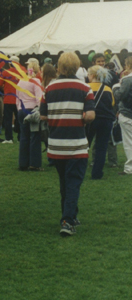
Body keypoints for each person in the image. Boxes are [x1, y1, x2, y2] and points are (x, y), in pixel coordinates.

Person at [40, 52, 95, 236]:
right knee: (73, 183)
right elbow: (90, 116)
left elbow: (43, 116)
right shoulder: (85, 88)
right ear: (77, 67)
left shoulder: (49, 88)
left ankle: (71, 214)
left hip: (56, 145)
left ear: (59, 67)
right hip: (76, 144)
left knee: (64, 182)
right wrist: (82, 118)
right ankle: (67, 221)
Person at [86, 66, 114, 180]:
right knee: (101, 147)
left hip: (90, 119)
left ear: (92, 75)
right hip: (106, 120)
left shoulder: (86, 87)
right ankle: (97, 173)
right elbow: (112, 103)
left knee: (84, 145)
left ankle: (79, 168)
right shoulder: (108, 88)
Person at [16, 60, 44, 171]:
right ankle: (34, 164)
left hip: (21, 110)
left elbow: (17, 98)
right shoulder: (36, 81)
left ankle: (23, 163)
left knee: (24, 137)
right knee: (35, 136)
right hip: (31, 110)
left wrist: (19, 109)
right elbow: (39, 99)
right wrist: (40, 110)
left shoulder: (21, 81)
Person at [114, 56, 132, 176]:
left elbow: (119, 95)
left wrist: (116, 85)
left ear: (128, 65)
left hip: (127, 113)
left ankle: (130, 168)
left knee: (129, 142)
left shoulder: (127, 80)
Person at [0, 56, 20, 143]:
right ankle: (20, 137)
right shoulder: (21, 73)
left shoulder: (5, 72)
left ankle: (9, 138)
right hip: (18, 99)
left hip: (8, 98)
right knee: (19, 119)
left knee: (8, 119)